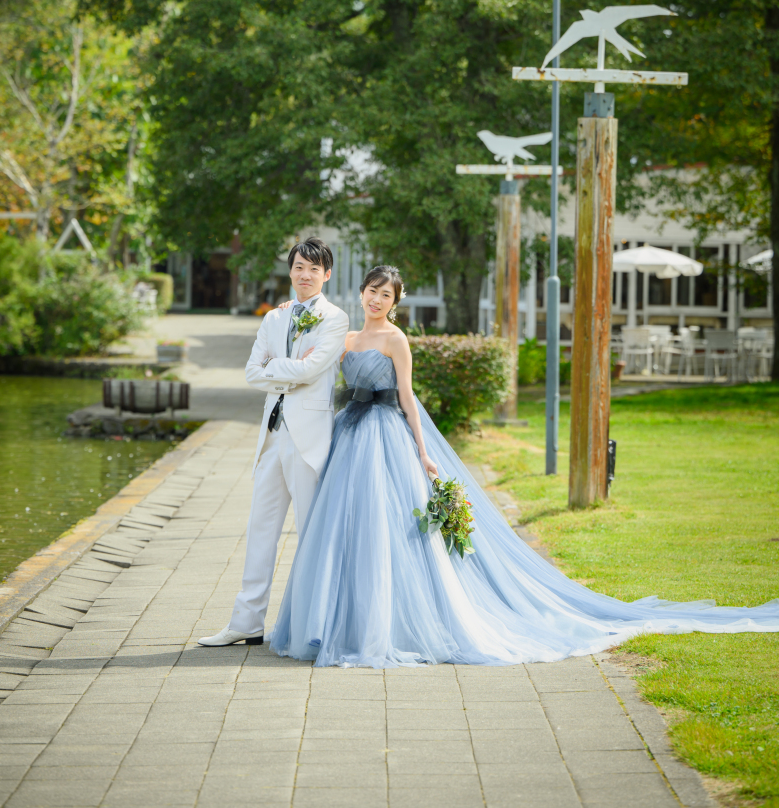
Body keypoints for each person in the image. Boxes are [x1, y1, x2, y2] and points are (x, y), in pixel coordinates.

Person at [268, 264, 779, 668]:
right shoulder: (348, 339)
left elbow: (406, 396)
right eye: (372, 291)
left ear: (397, 303)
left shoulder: (396, 340)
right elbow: (315, 370)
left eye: (386, 294)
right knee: (345, 529)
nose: (377, 299)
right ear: (360, 294)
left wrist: (423, 452)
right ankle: (341, 620)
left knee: (390, 528)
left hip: (386, 436)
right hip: (349, 433)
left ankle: (387, 624)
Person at [198, 237, 349, 647]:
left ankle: (313, 624)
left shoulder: (336, 319)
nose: (305, 275)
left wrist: (277, 368)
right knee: (260, 530)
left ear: (327, 274)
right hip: (271, 435)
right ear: (291, 270)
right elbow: (252, 372)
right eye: (299, 267)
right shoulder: (274, 318)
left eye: (314, 269)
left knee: (310, 532)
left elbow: (314, 369)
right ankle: (246, 622)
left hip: (309, 439)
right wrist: (292, 369)